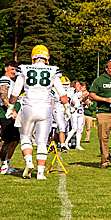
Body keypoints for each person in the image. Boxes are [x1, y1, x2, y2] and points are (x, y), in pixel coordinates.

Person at [7, 45, 69, 180]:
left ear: (33, 56)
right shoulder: (53, 70)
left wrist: (10, 107)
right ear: (47, 57)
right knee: (42, 142)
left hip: (28, 107)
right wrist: (67, 108)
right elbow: (62, 93)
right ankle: (40, 173)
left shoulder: (24, 69)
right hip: (45, 108)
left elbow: (15, 92)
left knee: (25, 137)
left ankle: (29, 161)